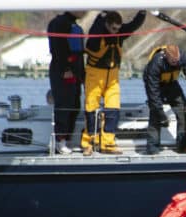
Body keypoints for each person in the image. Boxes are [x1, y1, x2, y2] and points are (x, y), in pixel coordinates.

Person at [82, 9, 146, 155]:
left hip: (112, 77)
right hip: (95, 75)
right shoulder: (96, 34)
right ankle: (88, 142)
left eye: (118, 29)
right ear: (106, 25)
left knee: (113, 109)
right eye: (113, 29)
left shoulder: (119, 33)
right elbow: (97, 29)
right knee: (91, 109)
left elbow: (133, 25)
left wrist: (142, 13)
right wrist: (102, 14)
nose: (116, 32)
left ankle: (107, 143)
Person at [142, 44, 186, 154]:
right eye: (173, 62)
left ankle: (182, 145)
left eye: (177, 61)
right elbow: (153, 92)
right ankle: (152, 147)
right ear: (166, 57)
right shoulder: (156, 62)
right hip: (155, 84)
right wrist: (161, 112)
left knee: (183, 110)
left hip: (172, 83)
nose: (176, 63)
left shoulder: (183, 57)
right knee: (155, 113)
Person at [47, 11, 85, 154]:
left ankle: (66, 138)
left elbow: (79, 53)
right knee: (65, 105)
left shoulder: (73, 24)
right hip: (63, 71)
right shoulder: (59, 23)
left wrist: (82, 74)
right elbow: (58, 48)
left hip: (75, 71)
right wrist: (66, 68)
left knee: (75, 105)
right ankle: (60, 140)